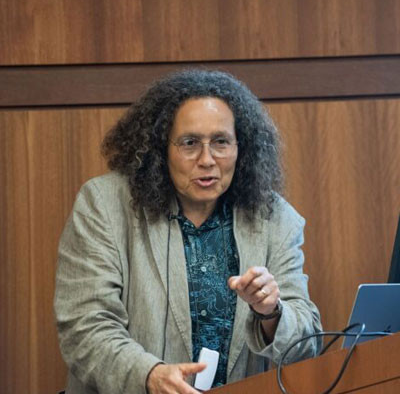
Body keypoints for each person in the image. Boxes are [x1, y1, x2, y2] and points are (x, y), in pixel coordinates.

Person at [54, 69, 322, 394]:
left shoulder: (274, 218)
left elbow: (308, 344)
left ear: (242, 148)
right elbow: (84, 327)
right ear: (160, 149)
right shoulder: (105, 205)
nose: (207, 160)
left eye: (221, 142)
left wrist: (271, 313)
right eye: (190, 143)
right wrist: (149, 375)